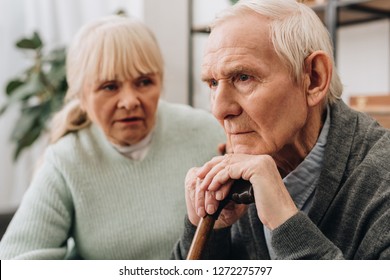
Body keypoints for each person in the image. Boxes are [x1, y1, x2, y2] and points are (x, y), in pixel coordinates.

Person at [172, 0, 390, 260]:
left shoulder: (381, 180)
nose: (219, 110)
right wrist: (208, 231)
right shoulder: (237, 169)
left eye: (243, 77)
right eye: (212, 83)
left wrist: (285, 223)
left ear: (314, 78)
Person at [0, 15, 226, 259]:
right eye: (109, 87)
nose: (129, 102)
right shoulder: (66, 159)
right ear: (81, 95)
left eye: (144, 82)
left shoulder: (207, 131)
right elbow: (16, 261)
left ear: (160, 83)